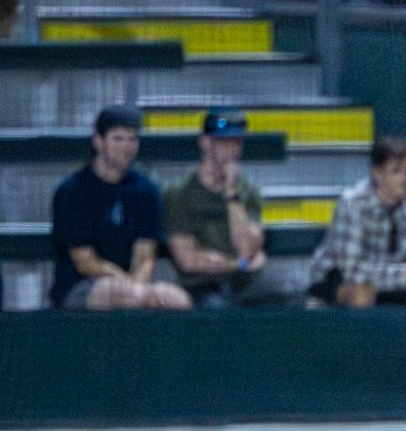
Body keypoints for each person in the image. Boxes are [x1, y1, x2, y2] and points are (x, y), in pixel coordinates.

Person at [50, 105, 190, 310]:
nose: (127, 146)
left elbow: (145, 255)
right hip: (81, 287)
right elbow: (86, 262)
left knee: (176, 299)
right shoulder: (73, 191)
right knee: (116, 292)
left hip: (132, 287)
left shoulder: (146, 190)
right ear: (98, 142)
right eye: (118, 138)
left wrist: (137, 286)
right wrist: (128, 285)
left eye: (132, 139)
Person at [307, 134, 406, 308]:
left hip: (394, 281)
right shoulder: (353, 202)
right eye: (397, 171)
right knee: (361, 293)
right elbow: (351, 271)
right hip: (338, 280)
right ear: (377, 173)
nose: (405, 179)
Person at [164, 110, 292, 307]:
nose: (231, 149)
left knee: (292, 302)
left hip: (246, 287)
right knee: (215, 306)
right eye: (224, 142)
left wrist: (231, 193)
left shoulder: (247, 192)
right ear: (205, 143)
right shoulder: (179, 192)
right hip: (200, 287)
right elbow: (187, 260)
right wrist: (239, 264)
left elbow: (246, 249)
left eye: (236, 142)